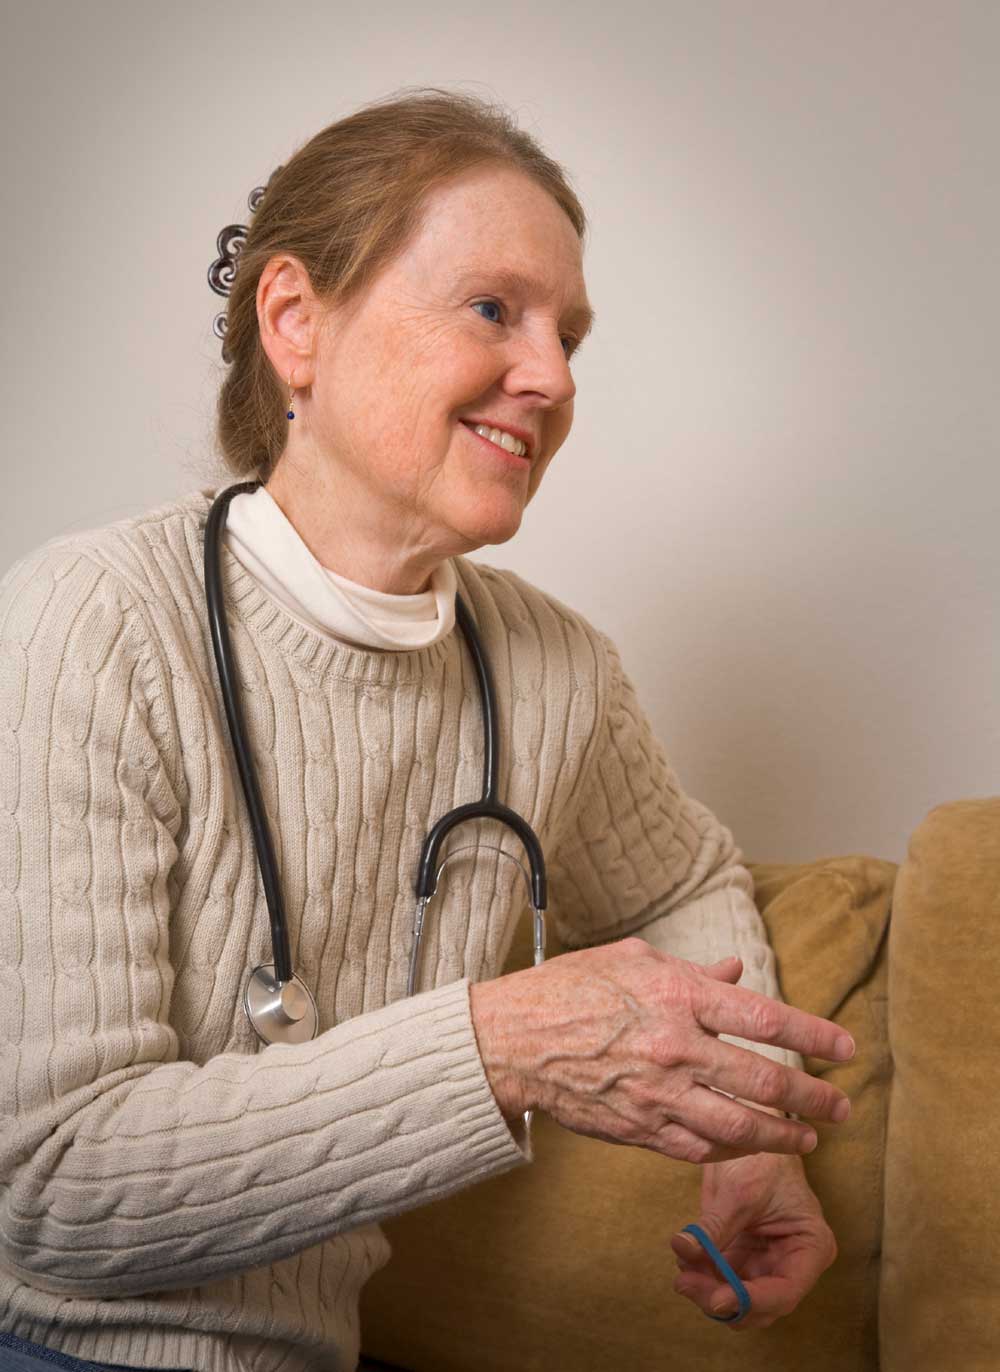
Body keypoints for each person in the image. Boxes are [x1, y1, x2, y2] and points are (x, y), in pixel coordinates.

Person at [0, 88, 854, 1372]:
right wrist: (503, 1043)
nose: (554, 377)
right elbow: (59, 1186)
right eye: (493, 309)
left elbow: (680, 878)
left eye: (570, 334)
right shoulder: (93, 624)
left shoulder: (555, 668)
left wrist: (748, 1140)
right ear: (296, 322)